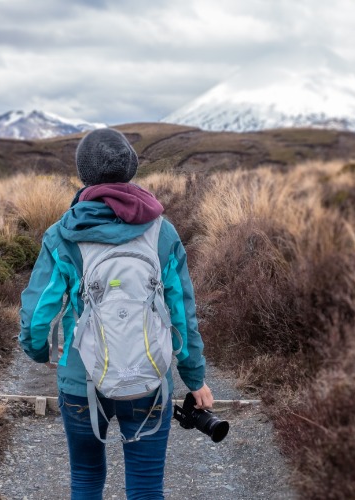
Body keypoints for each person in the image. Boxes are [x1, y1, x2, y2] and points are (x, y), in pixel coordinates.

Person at [18, 128, 212, 500]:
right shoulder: (163, 232)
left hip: (81, 379)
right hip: (150, 377)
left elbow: (38, 312)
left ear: (83, 174)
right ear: (130, 169)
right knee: (145, 485)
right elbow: (182, 313)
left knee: (87, 479)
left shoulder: (62, 233)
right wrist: (195, 377)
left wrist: (39, 352)